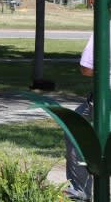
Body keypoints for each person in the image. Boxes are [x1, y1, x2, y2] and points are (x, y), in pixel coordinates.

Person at [64, 32, 97, 201]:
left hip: (104, 101)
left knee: (74, 128)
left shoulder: (105, 28)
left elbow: (87, 68)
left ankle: (80, 191)